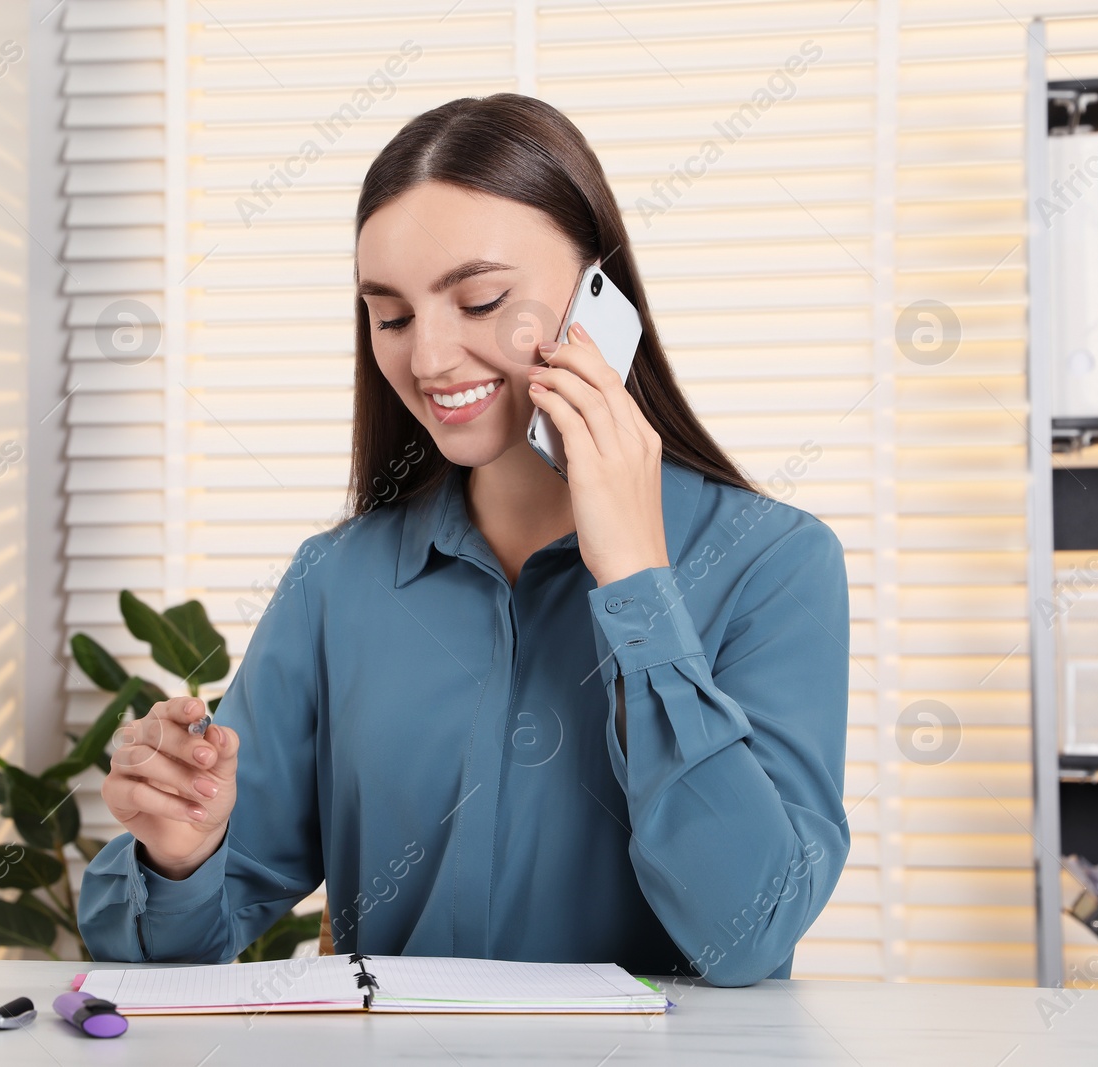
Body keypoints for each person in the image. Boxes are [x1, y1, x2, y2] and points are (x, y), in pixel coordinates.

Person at [78, 93, 850, 987]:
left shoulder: (774, 565)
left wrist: (638, 581)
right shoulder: (337, 583)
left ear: (602, 298)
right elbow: (167, 955)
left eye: (481, 299)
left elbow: (748, 932)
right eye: (393, 317)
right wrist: (181, 850)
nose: (431, 359)